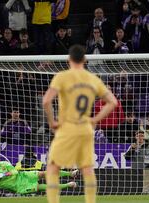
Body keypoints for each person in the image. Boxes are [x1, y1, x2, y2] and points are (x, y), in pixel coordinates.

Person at [42, 45, 117, 203]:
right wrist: (94, 120)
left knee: (53, 167)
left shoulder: (62, 77)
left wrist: (51, 122)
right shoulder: (92, 78)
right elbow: (112, 102)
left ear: (68, 60)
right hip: (85, 128)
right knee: (87, 169)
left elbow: (47, 100)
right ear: (84, 60)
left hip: (67, 127)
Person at [0, 150, 77, 197]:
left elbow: (15, 172)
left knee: (43, 173)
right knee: (43, 187)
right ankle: (69, 185)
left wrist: (5, 174)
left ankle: (70, 174)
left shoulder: (4, 163)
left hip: (22, 175)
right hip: (19, 186)